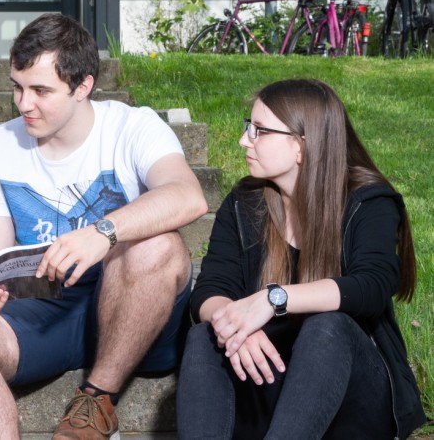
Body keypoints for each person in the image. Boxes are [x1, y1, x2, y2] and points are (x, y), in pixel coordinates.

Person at [0, 13, 208, 440]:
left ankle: (96, 402)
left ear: (83, 86)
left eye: (41, 90)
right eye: (18, 86)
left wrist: (102, 233)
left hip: (134, 303)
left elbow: (188, 195)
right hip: (49, 309)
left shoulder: (132, 127)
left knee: (157, 246)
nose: (25, 104)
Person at [176, 79, 425, 439]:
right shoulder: (245, 201)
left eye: (259, 131)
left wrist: (274, 298)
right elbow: (212, 287)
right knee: (206, 335)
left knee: (328, 326)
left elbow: (372, 285)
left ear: (301, 147)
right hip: (269, 384)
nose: (245, 140)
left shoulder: (367, 201)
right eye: (249, 127)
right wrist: (233, 325)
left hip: (353, 400)